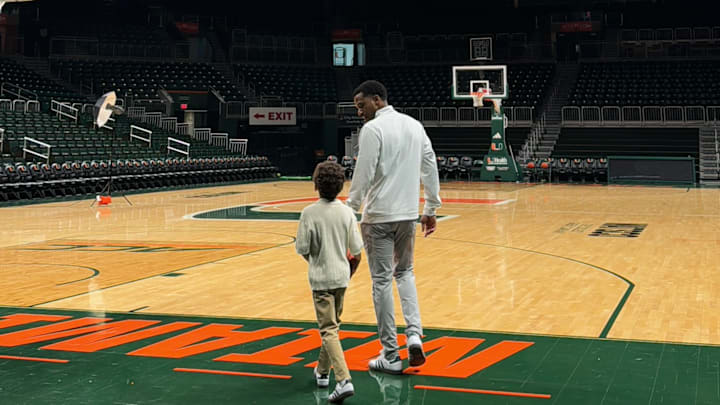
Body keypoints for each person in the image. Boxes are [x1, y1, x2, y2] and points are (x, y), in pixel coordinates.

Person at [346, 80, 442, 374]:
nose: (359, 112)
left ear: (377, 100)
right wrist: (431, 208)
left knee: (382, 282)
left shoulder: (373, 130)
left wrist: (350, 211)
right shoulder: (415, 126)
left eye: (361, 106)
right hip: (407, 216)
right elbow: (430, 165)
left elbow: (363, 174)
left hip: (378, 217)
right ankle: (414, 335)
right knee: (406, 273)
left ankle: (390, 353)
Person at [296, 161, 364, 403]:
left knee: (328, 330)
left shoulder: (309, 213)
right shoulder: (347, 212)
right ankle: (322, 372)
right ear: (341, 185)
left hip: (321, 279)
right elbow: (356, 251)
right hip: (341, 279)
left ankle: (343, 379)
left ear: (316, 185)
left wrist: (315, 260)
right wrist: (349, 271)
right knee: (333, 328)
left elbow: (303, 248)